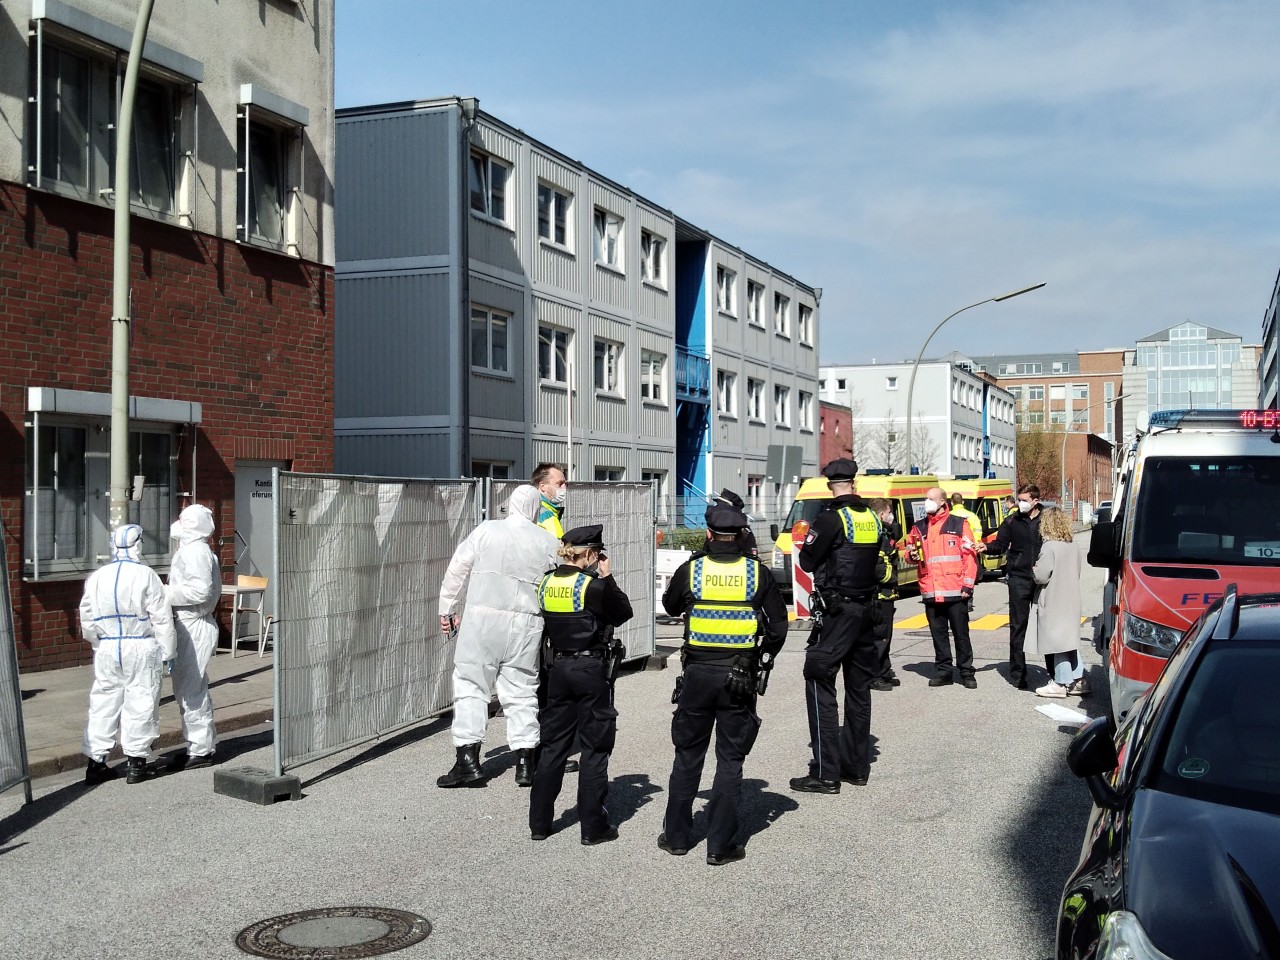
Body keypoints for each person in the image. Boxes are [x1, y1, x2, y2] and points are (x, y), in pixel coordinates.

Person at [659, 505, 788, 865]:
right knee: (729, 759)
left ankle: (677, 837)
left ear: (709, 534)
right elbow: (778, 627)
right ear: (743, 535)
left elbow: (670, 607)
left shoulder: (692, 569)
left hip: (697, 674)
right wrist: (758, 657)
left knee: (687, 755)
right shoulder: (756, 573)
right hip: (739, 676)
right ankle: (720, 846)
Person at [437, 484, 561, 788]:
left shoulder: (487, 530)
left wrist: (447, 609)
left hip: (482, 621)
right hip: (527, 626)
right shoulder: (548, 541)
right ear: (535, 509)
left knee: (471, 685)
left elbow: (457, 569)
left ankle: (468, 761)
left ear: (510, 505)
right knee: (521, 690)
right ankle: (525, 762)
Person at [790, 459, 895, 794]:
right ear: (854, 481)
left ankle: (826, 773)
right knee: (859, 689)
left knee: (818, 676)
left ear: (829, 484)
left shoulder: (831, 518)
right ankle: (857, 767)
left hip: (839, 612)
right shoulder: (871, 518)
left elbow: (807, 561)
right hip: (868, 611)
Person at [529, 525, 634, 844]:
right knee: (595, 746)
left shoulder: (546, 582)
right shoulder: (592, 585)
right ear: (589, 554)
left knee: (553, 746)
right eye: (596, 554)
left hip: (557, 668)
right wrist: (607, 576)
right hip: (590, 669)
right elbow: (622, 613)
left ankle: (540, 824)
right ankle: (592, 827)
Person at [80, 525, 177, 785]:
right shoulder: (146, 575)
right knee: (141, 700)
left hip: (108, 647)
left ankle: (95, 763)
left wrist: (97, 642)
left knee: (103, 703)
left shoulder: (97, 577)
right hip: (140, 645)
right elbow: (162, 618)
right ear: (139, 544)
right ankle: (136, 763)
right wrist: (169, 652)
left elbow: (86, 616)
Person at [905, 487, 980, 689]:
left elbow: (969, 557)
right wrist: (910, 555)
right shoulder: (919, 527)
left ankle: (966, 672)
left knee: (961, 634)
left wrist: (968, 585)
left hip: (955, 590)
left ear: (942, 502)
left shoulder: (958, 524)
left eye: (930, 499)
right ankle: (944, 672)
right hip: (931, 590)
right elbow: (909, 552)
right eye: (925, 498)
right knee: (938, 635)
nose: (926, 502)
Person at [165, 504, 221, 771]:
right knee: (186, 689)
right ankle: (196, 746)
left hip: (193, 623)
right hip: (188, 622)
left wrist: (162, 594)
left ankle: (200, 750)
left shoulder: (196, 552)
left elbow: (199, 593)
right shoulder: (192, 550)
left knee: (191, 689)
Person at [982, 483, 1044, 689]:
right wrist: (986, 548)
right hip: (1019, 578)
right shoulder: (1011, 521)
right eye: (1019, 500)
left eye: (1025, 500)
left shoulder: (1047, 519)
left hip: (1044, 579)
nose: (1020, 504)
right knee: (1019, 626)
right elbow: (1000, 545)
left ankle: (1056, 672)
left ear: (1035, 501)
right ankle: (1018, 673)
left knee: (1048, 626)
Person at [1030, 507, 1087, 698]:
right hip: (1071, 597)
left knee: (1057, 642)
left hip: (1053, 597)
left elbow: (1041, 576)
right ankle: (1079, 679)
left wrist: (1034, 569)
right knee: (1069, 640)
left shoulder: (1049, 546)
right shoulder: (1073, 545)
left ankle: (1060, 682)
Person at [867, 498, 902, 692]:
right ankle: (875, 675)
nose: (891, 516)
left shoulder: (884, 532)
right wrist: (893, 578)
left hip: (887, 595)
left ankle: (884, 670)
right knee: (879, 637)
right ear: (882, 515)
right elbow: (879, 568)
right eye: (889, 512)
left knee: (885, 636)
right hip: (879, 595)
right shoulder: (877, 536)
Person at [698, 489, 758, 558]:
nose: (717, 507)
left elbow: (751, 556)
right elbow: (705, 552)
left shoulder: (745, 531)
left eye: (721, 505)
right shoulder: (714, 527)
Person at [532, 462, 568, 539]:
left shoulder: (532, 508)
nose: (564, 488)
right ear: (543, 486)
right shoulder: (547, 516)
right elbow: (559, 549)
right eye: (560, 484)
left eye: (565, 484)